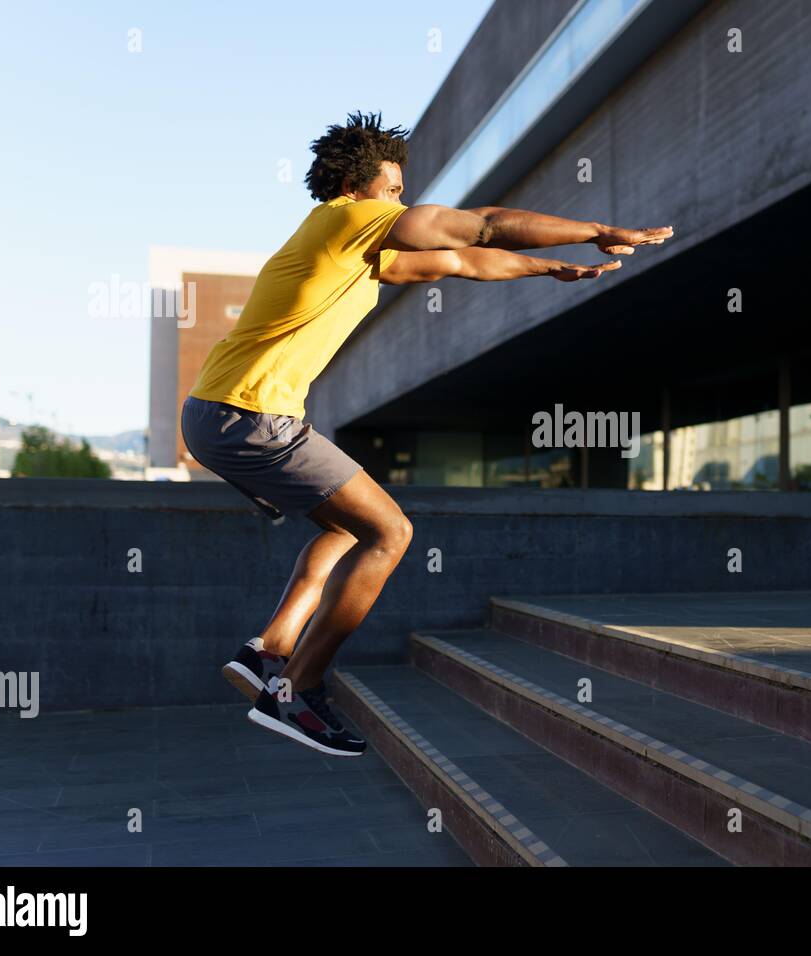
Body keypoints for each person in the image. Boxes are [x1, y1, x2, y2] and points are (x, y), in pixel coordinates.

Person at [181, 111, 673, 755]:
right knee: (391, 533)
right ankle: (295, 690)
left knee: (342, 528)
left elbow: (460, 259)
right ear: (359, 189)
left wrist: (546, 271)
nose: (402, 202)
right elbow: (483, 224)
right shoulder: (346, 219)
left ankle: (269, 649)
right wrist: (598, 230)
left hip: (222, 413)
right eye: (393, 190)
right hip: (246, 414)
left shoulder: (351, 252)